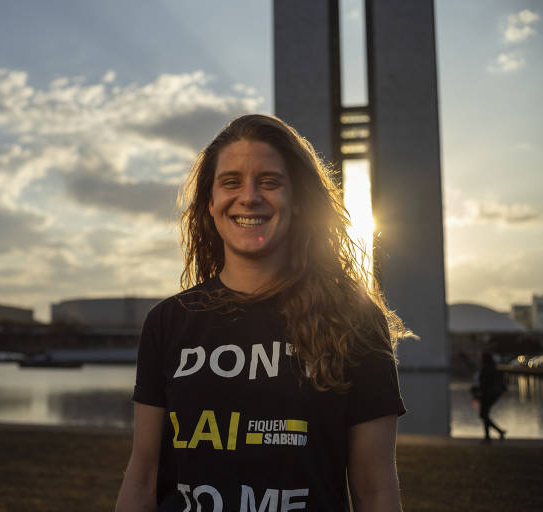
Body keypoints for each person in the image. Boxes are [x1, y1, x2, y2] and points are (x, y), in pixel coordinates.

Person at [116, 114, 409, 512]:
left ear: (299, 201)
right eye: (231, 182)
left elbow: (375, 490)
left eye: (269, 182)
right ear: (211, 203)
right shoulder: (168, 322)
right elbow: (142, 476)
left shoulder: (354, 320)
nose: (249, 196)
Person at [474, 352, 506, 443]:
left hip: (487, 395)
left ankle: (493, 434)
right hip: (492, 395)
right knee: (484, 415)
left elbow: (484, 384)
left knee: (483, 415)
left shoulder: (485, 369)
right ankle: (492, 435)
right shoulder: (492, 368)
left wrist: (478, 393)